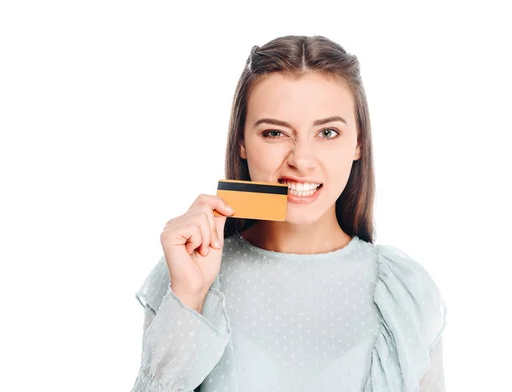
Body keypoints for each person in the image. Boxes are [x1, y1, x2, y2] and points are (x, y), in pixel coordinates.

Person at [130, 35, 447, 392]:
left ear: (359, 142)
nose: (302, 160)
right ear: (242, 143)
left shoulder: (405, 289)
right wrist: (189, 296)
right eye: (275, 133)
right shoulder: (190, 272)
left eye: (327, 132)